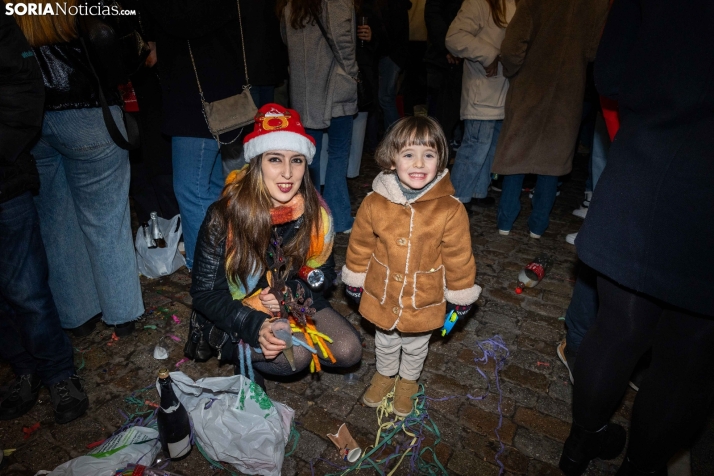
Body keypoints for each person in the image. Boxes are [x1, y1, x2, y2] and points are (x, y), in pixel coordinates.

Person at [559, 0, 714, 475]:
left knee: (615, 332)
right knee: (684, 363)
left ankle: (580, 445)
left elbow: (612, 72)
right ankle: (640, 467)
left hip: (645, 169)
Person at [190, 104, 362, 383]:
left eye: (296, 160)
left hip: (294, 300)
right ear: (257, 162)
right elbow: (205, 294)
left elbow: (325, 273)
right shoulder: (224, 215)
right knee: (295, 358)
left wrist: (292, 290)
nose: (287, 173)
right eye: (275, 159)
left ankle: (280, 333)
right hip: (240, 310)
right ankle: (245, 360)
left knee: (348, 350)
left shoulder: (315, 214)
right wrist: (253, 324)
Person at [11, 0, 144, 336]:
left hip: (34, 122)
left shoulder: (13, 12)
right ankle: (122, 315)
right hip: (88, 116)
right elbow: (121, 61)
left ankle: (78, 317)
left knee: (55, 223)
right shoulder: (83, 8)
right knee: (105, 222)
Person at [342, 116, 481, 416]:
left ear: (440, 161)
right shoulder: (374, 202)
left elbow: (459, 256)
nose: (419, 163)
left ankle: (408, 382)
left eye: (428, 155)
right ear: (392, 159)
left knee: (417, 345)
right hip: (383, 291)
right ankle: (385, 374)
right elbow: (361, 243)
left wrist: (460, 295)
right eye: (409, 154)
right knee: (385, 339)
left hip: (424, 296)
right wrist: (355, 277)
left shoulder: (451, 209)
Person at [0, 11, 88, 425]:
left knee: (27, 287)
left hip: (4, 180)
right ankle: (24, 370)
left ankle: (58, 372)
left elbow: (23, 85)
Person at [142, 0, 249, 270]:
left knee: (192, 191)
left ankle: (208, 275)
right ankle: (227, 269)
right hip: (204, 97)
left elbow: (183, 18)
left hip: (199, 102)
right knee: (210, 190)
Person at [491, 0, 608, 238]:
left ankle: (505, 221)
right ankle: (538, 225)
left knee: (516, 153)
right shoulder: (597, 4)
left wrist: (513, 72)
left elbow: (513, 46)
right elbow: (593, 49)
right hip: (567, 89)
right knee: (552, 160)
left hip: (530, 85)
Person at [279, 0, 359, 234]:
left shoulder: (291, 5)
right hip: (334, 86)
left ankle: (308, 219)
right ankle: (339, 218)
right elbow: (341, 39)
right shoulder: (336, 2)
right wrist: (353, 72)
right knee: (338, 153)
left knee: (306, 157)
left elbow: (285, 39)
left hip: (305, 90)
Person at [445, 0, 516, 210]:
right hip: (482, 87)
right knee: (475, 146)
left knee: (490, 146)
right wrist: (490, 55)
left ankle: (476, 191)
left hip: (501, 88)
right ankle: (457, 198)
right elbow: (454, 37)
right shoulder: (478, 2)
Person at [424, 0, 464, 145]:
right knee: (440, 119)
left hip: (462, 59)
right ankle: (435, 155)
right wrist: (448, 47)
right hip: (444, 60)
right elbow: (433, 16)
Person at [375, 0, 410, 129]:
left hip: (392, 56)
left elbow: (391, 32)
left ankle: (396, 136)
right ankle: (391, 136)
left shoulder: (395, 4)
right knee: (387, 97)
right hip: (395, 55)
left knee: (385, 98)